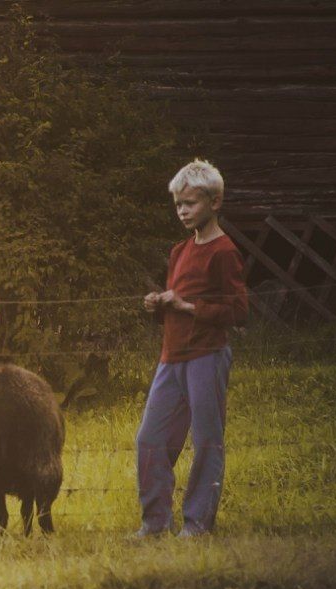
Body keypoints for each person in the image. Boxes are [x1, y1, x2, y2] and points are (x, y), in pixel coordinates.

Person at [135, 159, 249, 538]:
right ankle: (155, 522)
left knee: (206, 441)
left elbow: (238, 310)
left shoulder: (223, 252)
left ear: (214, 202)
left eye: (190, 203)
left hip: (207, 357)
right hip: (171, 358)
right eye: (178, 204)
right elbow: (176, 305)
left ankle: (197, 524)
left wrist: (187, 306)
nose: (183, 211)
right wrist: (160, 305)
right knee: (150, 439)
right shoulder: (179, 250)